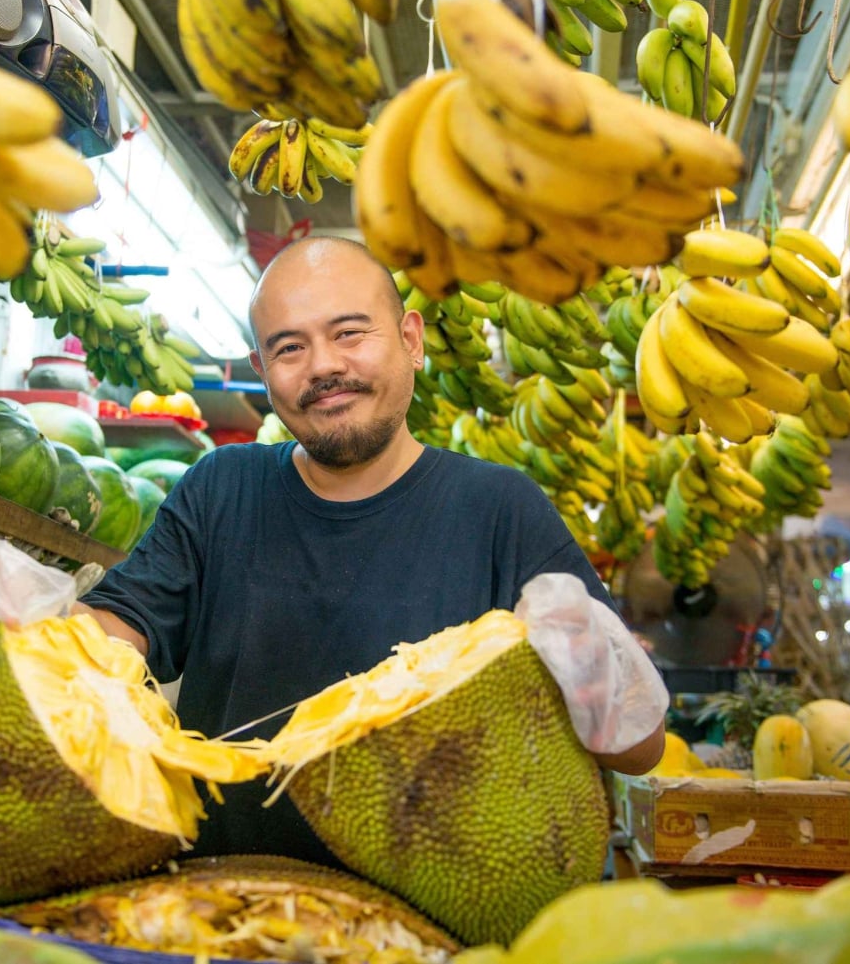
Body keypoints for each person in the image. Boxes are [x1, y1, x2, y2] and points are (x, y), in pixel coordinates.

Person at [78, 236, 665, 865]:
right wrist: (14, 625)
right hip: (225, 905)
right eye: (289, 348)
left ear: (411, 340)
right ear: (262, 368)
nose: (324, 366)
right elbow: (118, 629)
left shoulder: (502, 510)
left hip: (433, 922)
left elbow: (640, 745)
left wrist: (578, 655)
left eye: (350, 333)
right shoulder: (221, 488)